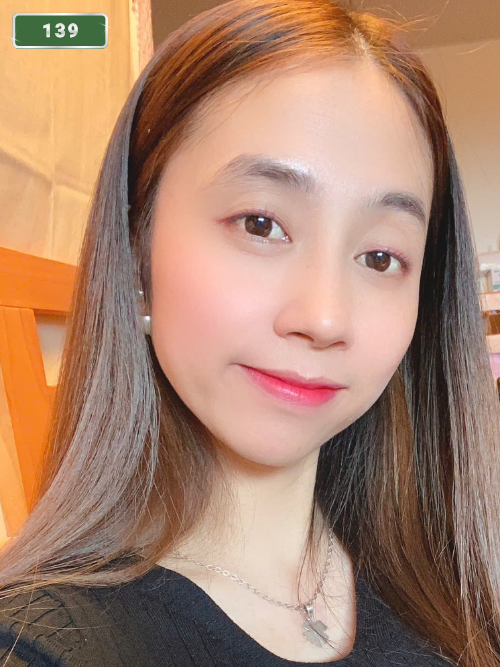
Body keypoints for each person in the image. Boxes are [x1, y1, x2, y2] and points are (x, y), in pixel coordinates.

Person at [1, 0, 499, 665]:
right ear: (137, 255)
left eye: (381, 257)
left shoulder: (459, 579)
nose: (324, 317)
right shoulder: (48, 644)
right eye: (261, 224)